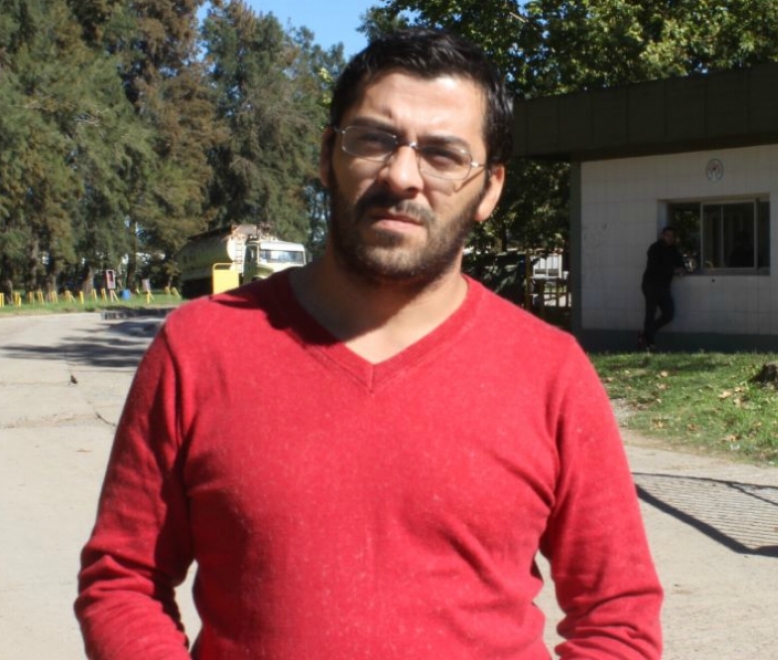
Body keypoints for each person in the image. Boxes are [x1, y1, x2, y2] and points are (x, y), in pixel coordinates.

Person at [75, 28, 663, 659]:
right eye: (375, 140)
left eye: (443, 154)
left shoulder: (550, 373)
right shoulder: (200, 349)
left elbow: (618, 618)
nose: (402, 175)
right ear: (327, 155)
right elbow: (124, 581)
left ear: (490, 189)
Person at [639, 226, 686, 351]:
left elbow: (679, 262)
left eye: (672, 236)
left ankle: (646, 334)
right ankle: (650, 343)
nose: (670, 238)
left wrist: (682, 268)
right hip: (651, 285)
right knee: (650, 313)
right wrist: (673, 270)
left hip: (664, 286)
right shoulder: (655, 248)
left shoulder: (673, 250)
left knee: (669, 313)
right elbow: (655, 266)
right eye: (667, 235)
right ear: (662, 235)